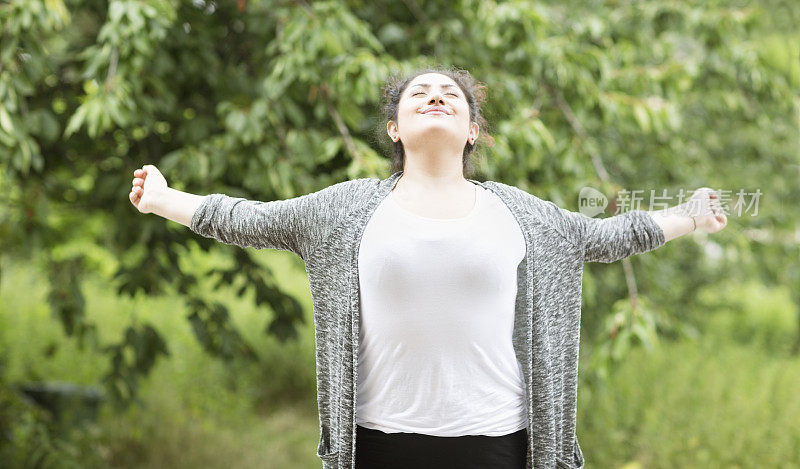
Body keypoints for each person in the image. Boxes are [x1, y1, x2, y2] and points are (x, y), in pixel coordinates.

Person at [129, 67, 727, 469]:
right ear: (395, 128)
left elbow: (605, 236)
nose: (435, 96)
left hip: (502, 443)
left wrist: (690, 216)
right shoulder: (345, 210)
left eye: (452, 95)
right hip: (380, 443)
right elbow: (247, 219)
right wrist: (162, 199)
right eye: (418, 93)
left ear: (473, 131)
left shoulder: (521, 214)